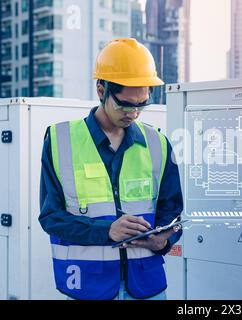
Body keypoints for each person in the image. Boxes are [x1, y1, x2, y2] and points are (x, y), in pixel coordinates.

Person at [39, 38, 183, 300]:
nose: (133, 113)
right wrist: (106, 231)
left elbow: (173, 211)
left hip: (146, 286)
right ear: (101, 89)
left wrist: (164, 240)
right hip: (88, 285)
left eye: (141, 104)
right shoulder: (61, 141)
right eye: (125, 103)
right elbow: (51, 218)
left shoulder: (158, 143)